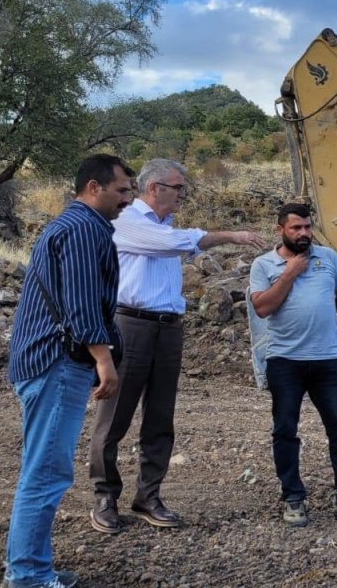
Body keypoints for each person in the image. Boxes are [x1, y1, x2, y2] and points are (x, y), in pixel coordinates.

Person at [87, 158, 265, 533]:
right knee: (115, 416)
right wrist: (232, 235)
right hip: (130, 324)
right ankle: (105, 496)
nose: (183, 193)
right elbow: (175, 244)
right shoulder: (128, 222)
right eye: (178, 187)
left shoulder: (166, 227)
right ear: (154, 189)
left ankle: (148, 495)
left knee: (160, 416)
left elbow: (180, 243)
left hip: (168, 328)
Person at [3, 154, 134, 588]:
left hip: (45, 360)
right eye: (121, 191)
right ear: (93, 187)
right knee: (46, 474)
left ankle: (29, 567)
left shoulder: (71, 225)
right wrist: (103, 359)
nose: (128, 200)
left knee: (40, 470)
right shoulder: (81, 229)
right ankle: (28, 577)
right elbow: (80, 305)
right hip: (57, 363)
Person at [248, 203, 337, 528]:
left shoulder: (328, 258)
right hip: (284, 361)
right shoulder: (263, 265)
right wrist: (289, 274)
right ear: (280, 230)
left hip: (329, 360)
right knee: (285, 431)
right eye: (296, 228)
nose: (304, 233)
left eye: (307, 227)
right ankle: (293, 498)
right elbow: (262, 308)